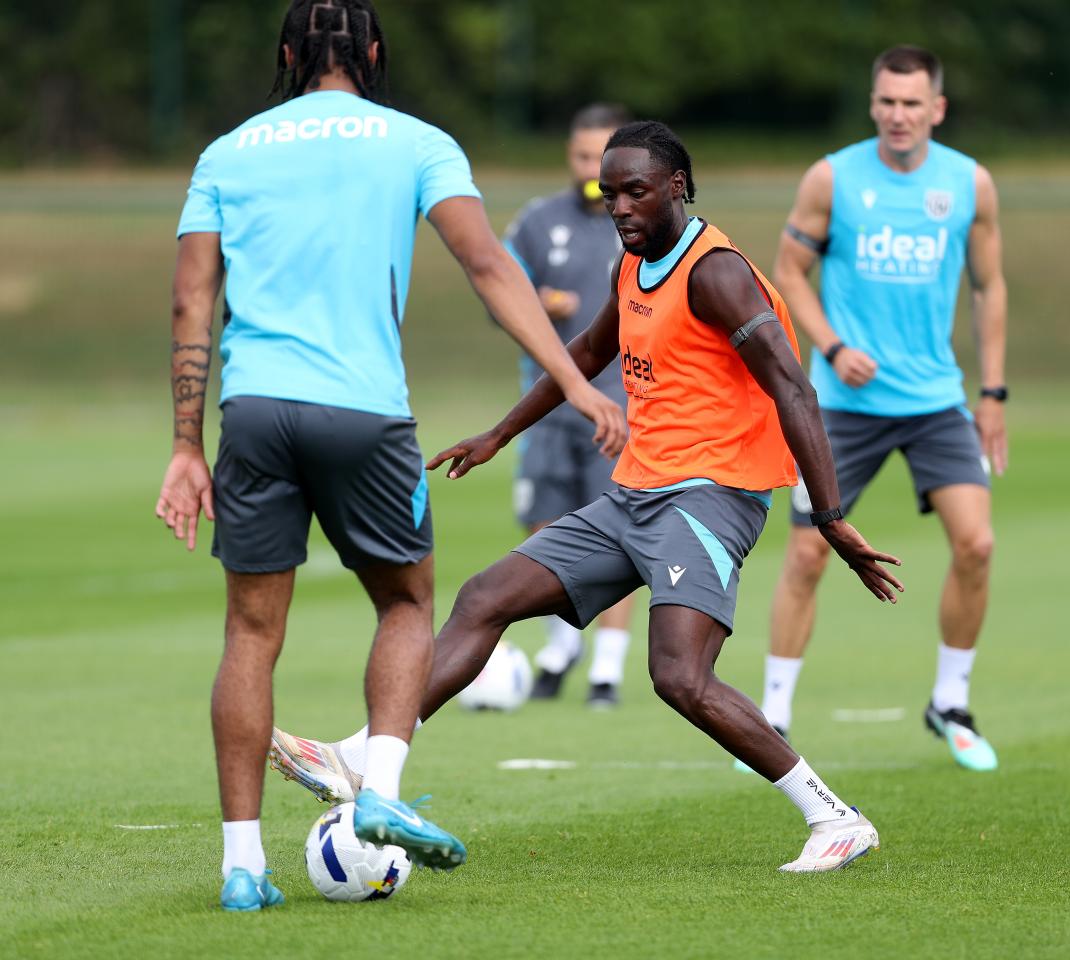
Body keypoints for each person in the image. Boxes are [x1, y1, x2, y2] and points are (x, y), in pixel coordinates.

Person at [270, 120, 907, 873]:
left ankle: (833, 816)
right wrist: (500, 433)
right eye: (609, 194)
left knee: (678, 676)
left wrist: (829, 518)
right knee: (486, 597)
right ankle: (360, 758)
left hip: (709, 496)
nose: (619, 207)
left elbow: (794, 388)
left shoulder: (718, 272)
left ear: (676, 186)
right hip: (637, 492)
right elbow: (588, 353)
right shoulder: (633, 264)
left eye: (635, 191)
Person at [153, 0, 623, 911]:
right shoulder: (416, 141)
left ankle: (242, 868)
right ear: (373, 52)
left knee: (251, 634)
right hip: (366, 415)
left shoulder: (227, 152)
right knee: (408, 602)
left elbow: (188, 305)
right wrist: (571, 380)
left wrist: (184, 444)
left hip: (252, 411)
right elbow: (488, 264)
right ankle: (380, 795)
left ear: (287, 54)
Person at [755, 45, 1006, 772]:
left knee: (978, 544)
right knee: (806, 552)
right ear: (874, 105)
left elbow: (991, 288)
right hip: (842, 404)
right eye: (887, 102)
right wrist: (831, 347)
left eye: (912, 103)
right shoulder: (832, 177)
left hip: (935, 401)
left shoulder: (969, 184)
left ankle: (950, 702)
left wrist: (992, 392)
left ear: (938, 108)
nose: (899, 115)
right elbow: (788, 273)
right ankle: (771, 716)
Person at [504, 103, 637, 708]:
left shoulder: (644, 222)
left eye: (601, 157)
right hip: (548, 407)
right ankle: (562, 647)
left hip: (620, 407)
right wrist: (535, 301)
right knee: (546, 530)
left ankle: (607, 670)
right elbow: (498, 291)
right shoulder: (536, 222)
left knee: (619, 534)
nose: (590, 168)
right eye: (582, 156)